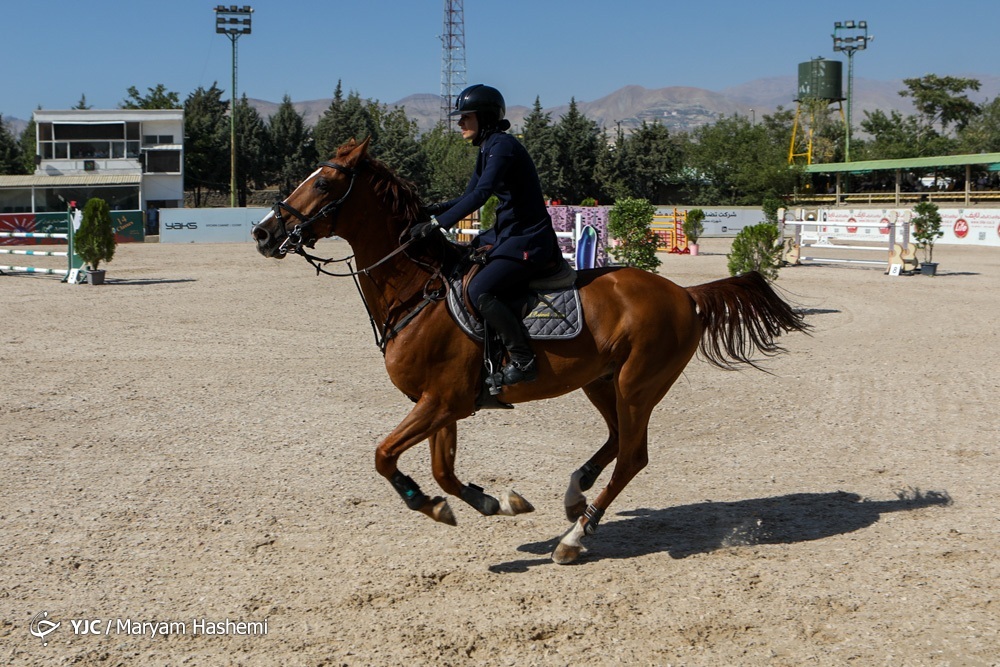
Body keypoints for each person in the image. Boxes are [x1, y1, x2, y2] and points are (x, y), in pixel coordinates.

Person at [409, 84, 562, 387]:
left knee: (480, 289)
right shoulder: (488, 147)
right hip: (509, 235)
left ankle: (523, 359)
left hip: (529, 241)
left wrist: (439, 224)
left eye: (466, 116)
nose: (460, 123)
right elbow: (467, 195)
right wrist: (429, 211)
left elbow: (481, 194)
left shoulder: (503, 146)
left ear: (485, 117)